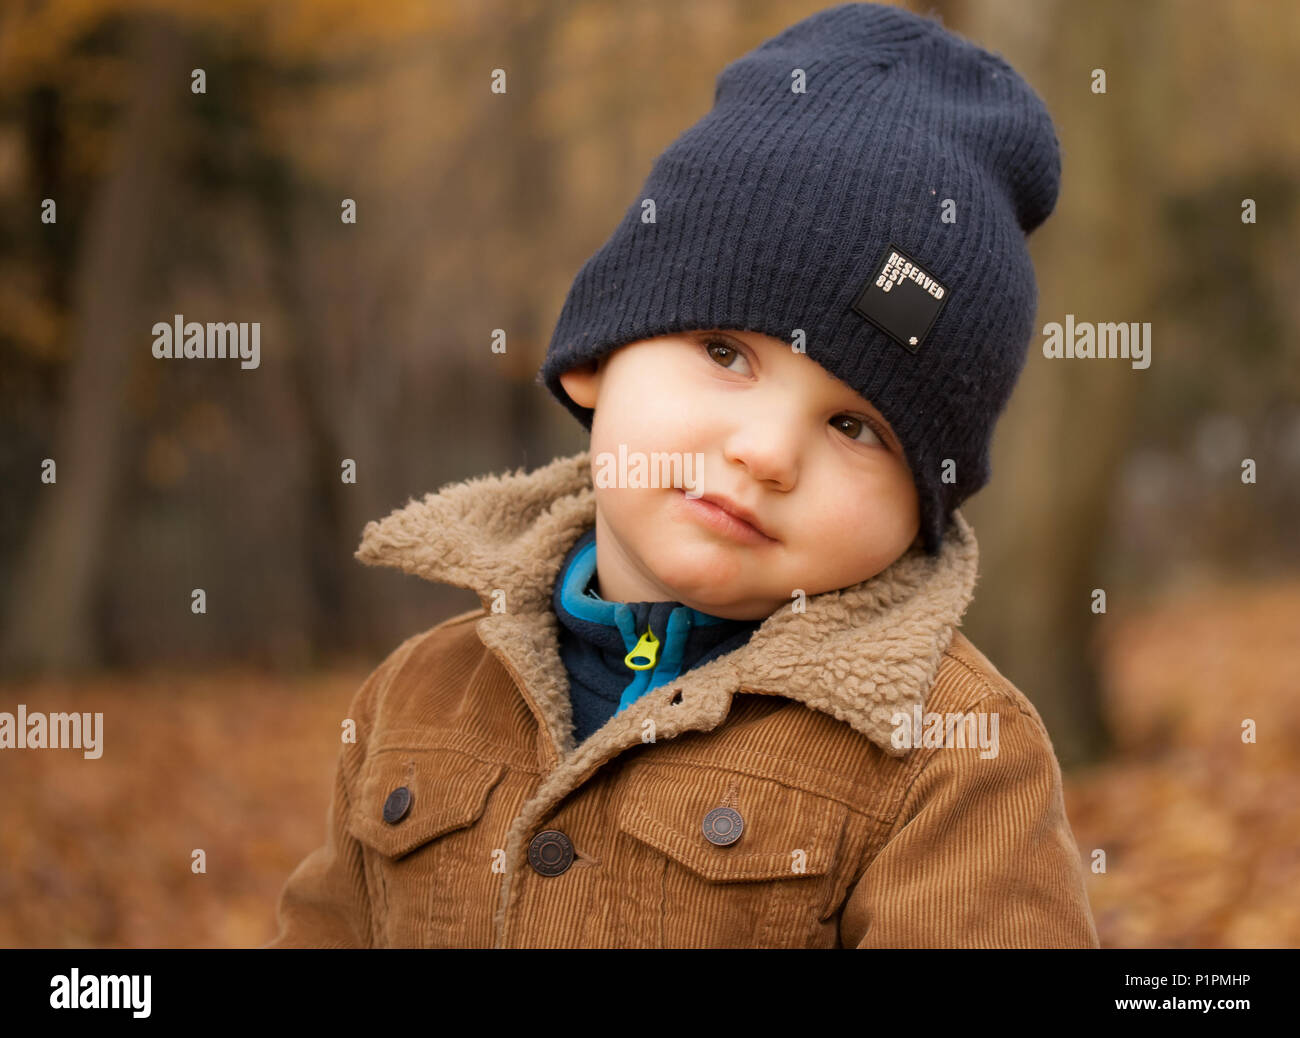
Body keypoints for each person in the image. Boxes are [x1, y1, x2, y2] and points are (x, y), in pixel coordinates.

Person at [265, 2, 1099, 949]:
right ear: (595, 355)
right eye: (725, 352)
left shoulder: (949, 754)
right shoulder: (418, 694)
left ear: (923, 508)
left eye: (856, 426)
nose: (767, 454)